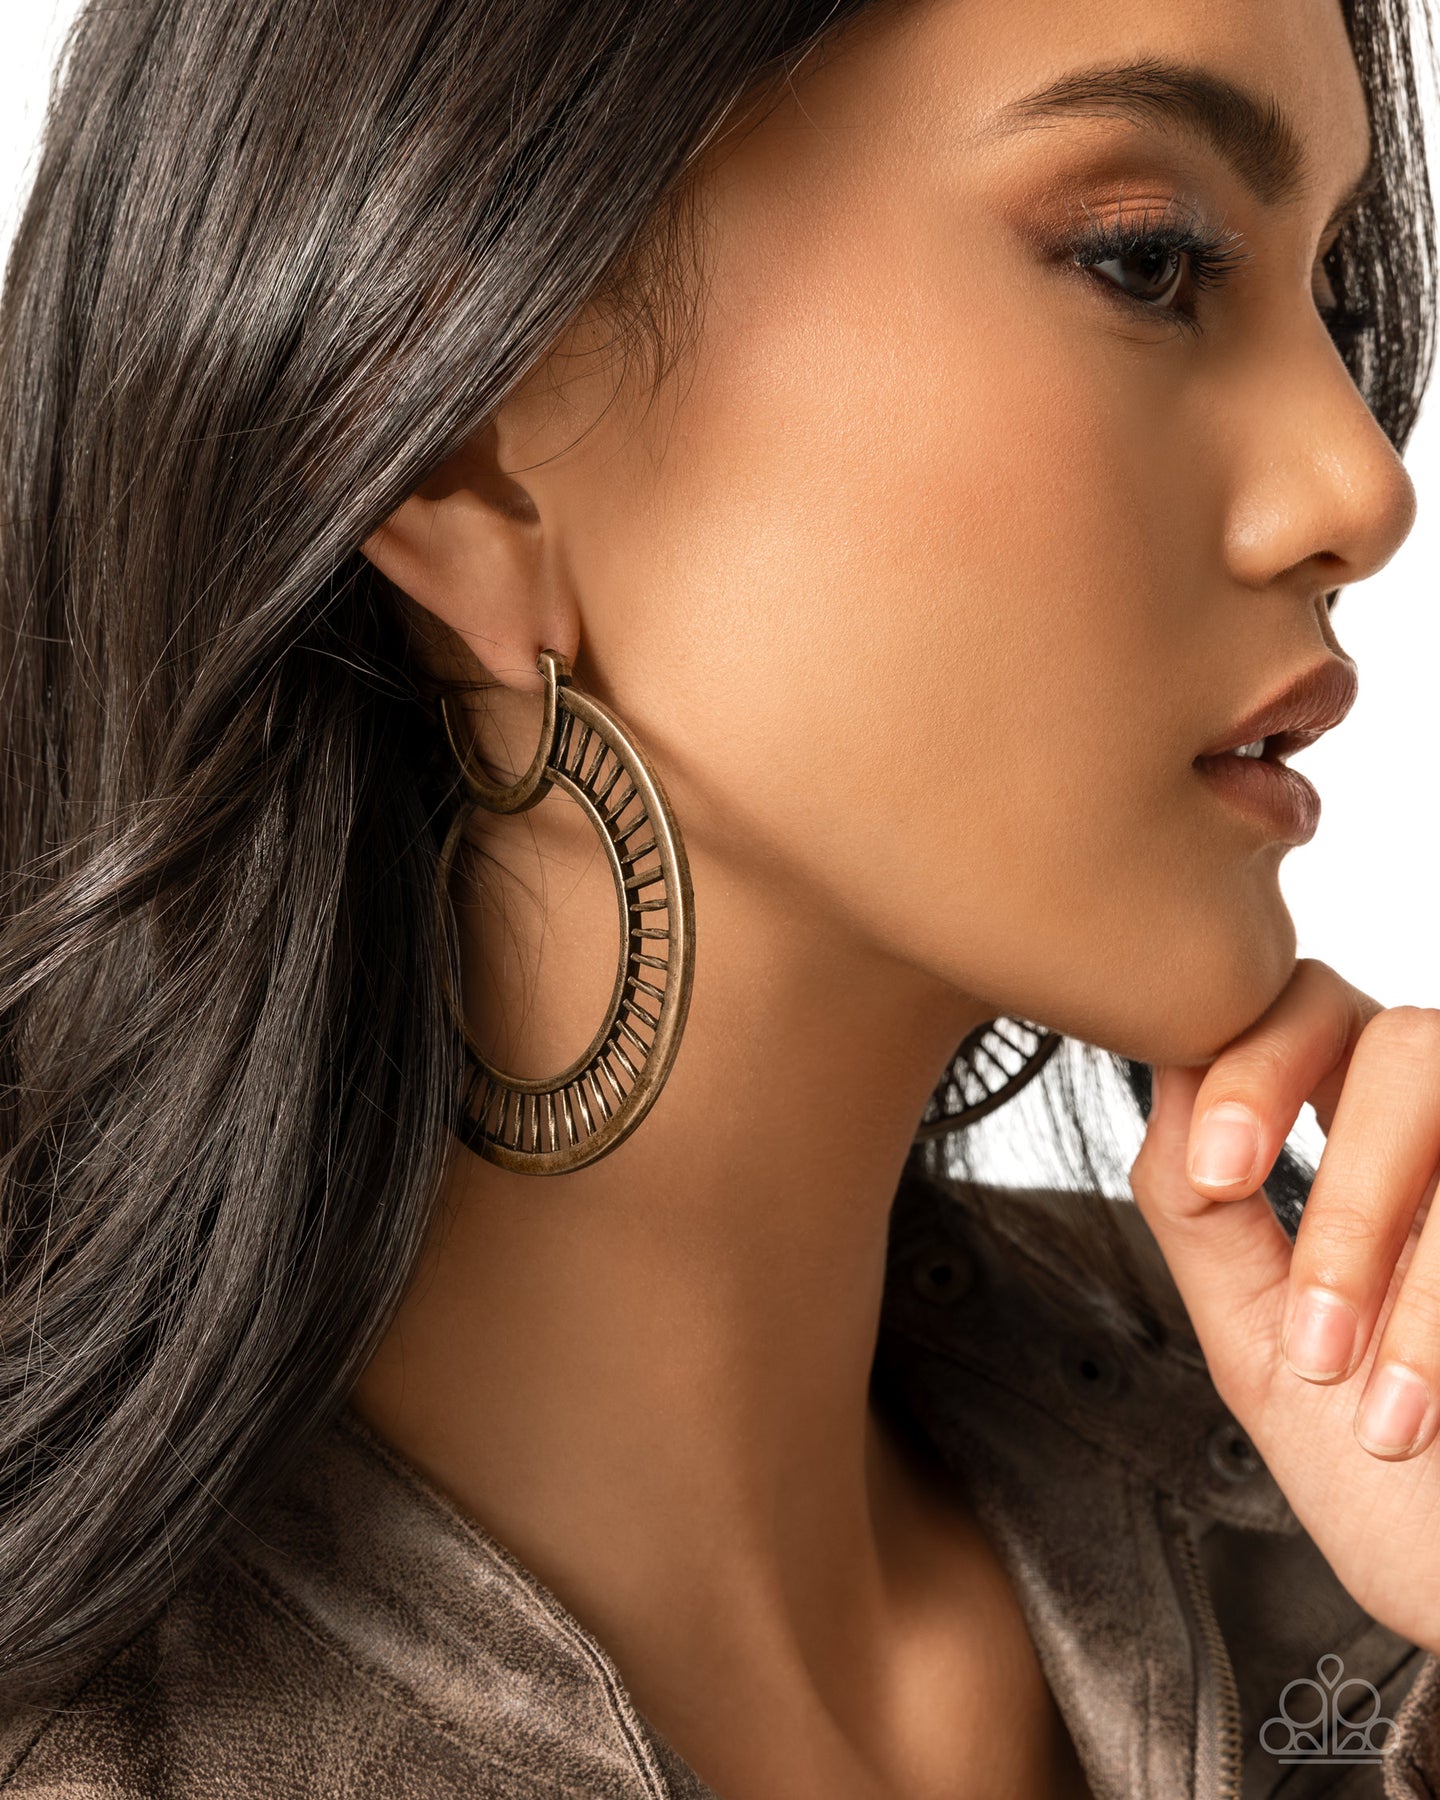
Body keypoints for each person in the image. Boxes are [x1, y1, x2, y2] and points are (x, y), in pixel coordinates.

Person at [0, 0, 1437, 1794]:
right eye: (1147, 261)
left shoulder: (1357, 1498)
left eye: (1340, 307)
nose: (1361, 486)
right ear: (464, 444)